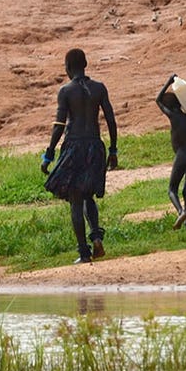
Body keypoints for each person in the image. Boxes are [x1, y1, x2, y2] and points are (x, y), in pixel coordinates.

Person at [41, 48, 119, 263]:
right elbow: (111, 120)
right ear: (85, 64)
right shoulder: (99, 88)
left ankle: (84, 253)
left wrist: (49, 154)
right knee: (88, 195)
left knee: (76, 200)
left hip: (74, 146)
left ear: (67, 68)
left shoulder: (66, 91)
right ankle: (96, 236)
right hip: (95, 145)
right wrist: (113, 150)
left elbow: (59, 125)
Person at [156, 74, 186, 229]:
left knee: (172, 190)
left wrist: (168, 82)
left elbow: (157, 100)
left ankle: (180, 212)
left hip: (182, 155)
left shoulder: (173, 116)